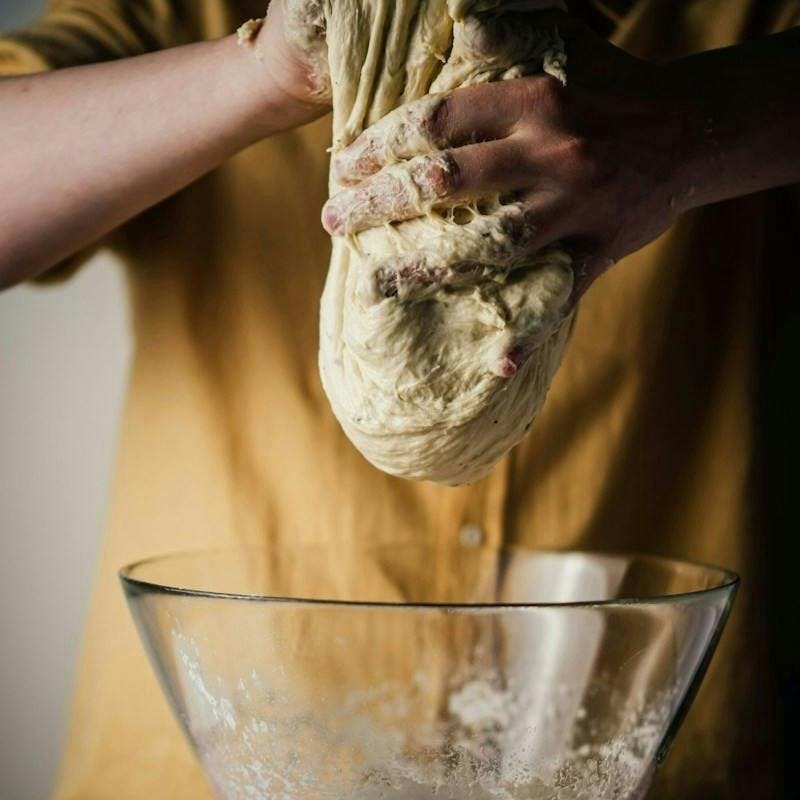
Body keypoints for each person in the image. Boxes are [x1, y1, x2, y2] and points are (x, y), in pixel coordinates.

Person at [1, 0, 798, 797]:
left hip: (639, 768)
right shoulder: (190, 8)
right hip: (220, 769)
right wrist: (266, 73)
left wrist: (689, 130)